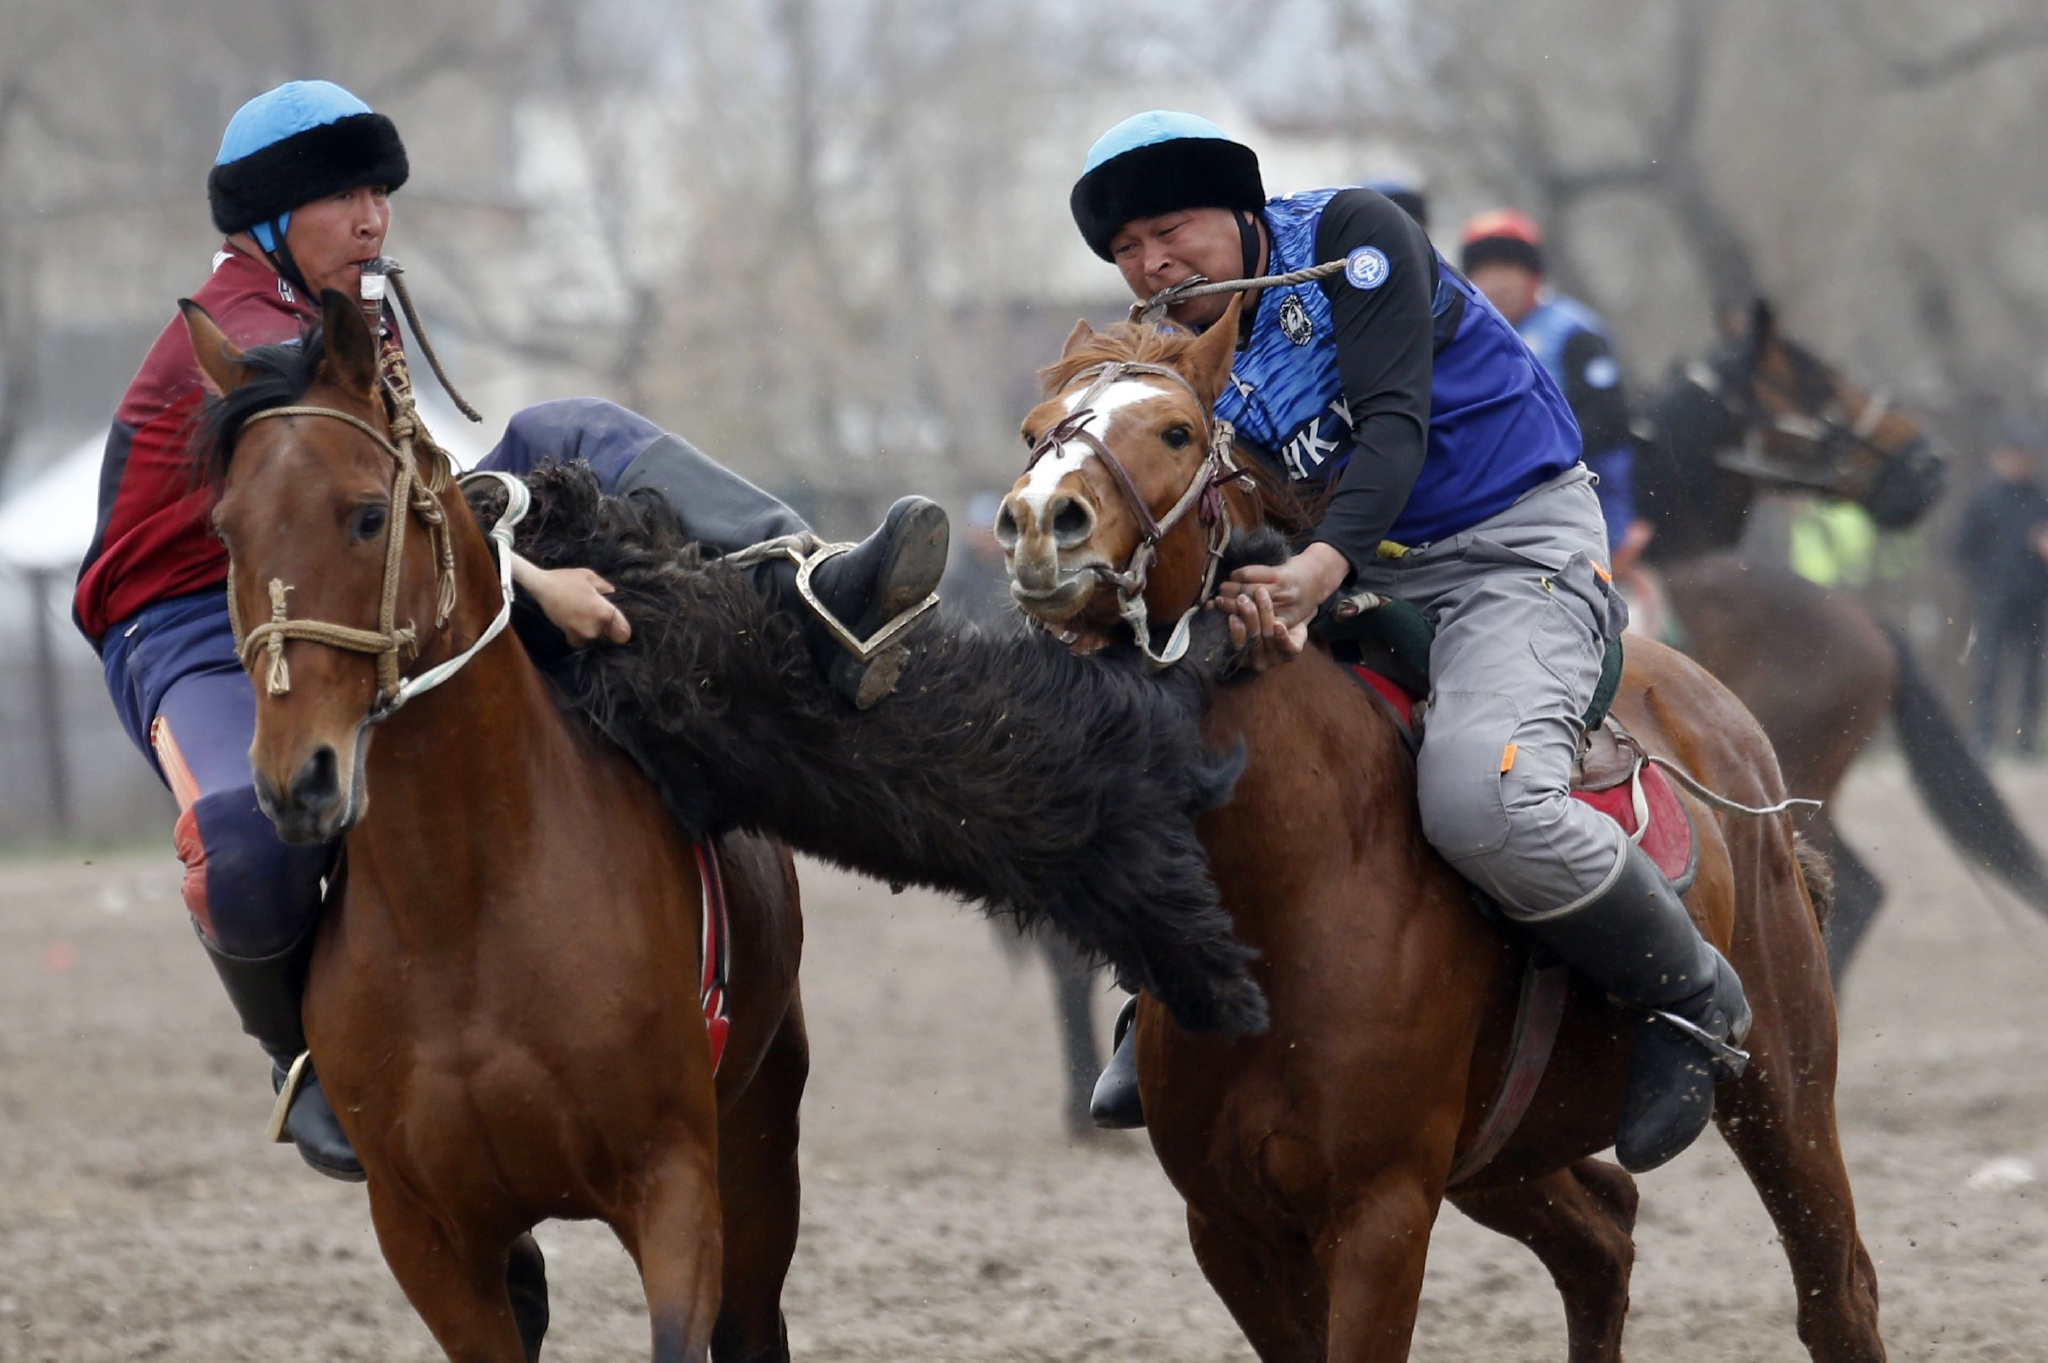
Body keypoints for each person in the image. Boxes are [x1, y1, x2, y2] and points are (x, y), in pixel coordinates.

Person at [77, 80, 947, 1181]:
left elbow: (414, 492)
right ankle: (299, 1057)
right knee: (245, 836)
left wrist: (505, 560)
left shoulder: (346, 309)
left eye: (380, 194)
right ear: (268, 220)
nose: (373, 220)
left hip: (353, 572)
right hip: (196, 620)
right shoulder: (251, 338)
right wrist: (533, 587)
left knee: (566, 428)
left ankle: (812, 579)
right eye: (343, 197)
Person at [1067, 111, 1749, 1173]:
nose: (1151, 263)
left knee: (1481, 802)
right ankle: (1156, 985)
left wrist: (1314, 571)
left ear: (1240, 208)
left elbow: (1393, 427)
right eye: (1126, 249)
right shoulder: (1172, 349)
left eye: (1169, 230)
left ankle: (1689, 994)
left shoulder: (1354, 237)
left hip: (1509, 551)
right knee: (1149, 751)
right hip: (1353, 572)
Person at [1458, 209, 1651, 579]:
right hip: (1496, 510)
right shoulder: (1466, 343)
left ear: (1533, 275)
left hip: (1585, 502)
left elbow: (1608, 422)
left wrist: (1522, 455)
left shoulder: (1573, 333)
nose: (1496, 282)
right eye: (1484, 270)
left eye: (1507, 268)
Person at [1955, 438, 2048, 756]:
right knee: (1989, 669)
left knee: (2032, 673)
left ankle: (2026, 741)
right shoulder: (1984, 500)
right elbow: (1962, 547)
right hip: (1994, 598)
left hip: (2036, 597)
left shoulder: (2042, 500)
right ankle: (1984, 737)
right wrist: (1986, 579)